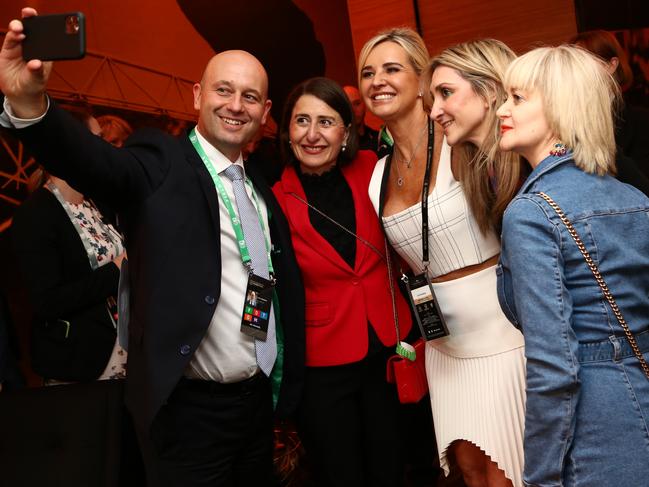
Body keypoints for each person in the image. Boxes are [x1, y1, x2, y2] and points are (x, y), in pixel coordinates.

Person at [0, 7, 305, 487]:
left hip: (255, 405)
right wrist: (31, 105)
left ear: (265, 115)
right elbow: (95, 162)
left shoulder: (258, 189)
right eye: (224, 90)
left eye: (251, 97)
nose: (236, 105)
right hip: (187, 413)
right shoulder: (161, 164)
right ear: (198, 96)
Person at [361, 29, 526, 487]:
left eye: (392, 69)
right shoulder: (377, 174)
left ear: (421, 81)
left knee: (508, 472)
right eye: (368, 72)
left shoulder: (462, 142)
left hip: (502, 336)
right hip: (442, 345)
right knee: (468, 472)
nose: (377, 81)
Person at [496, 45, 649, 486]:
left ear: (561, 107)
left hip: (593, 426)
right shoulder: (633, 199)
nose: (503, 109)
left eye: (518, 98)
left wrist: (541, 475)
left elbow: (555, 366)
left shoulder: (531, 212)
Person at [272, 77, 412, 486]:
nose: (313, 134)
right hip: (323, 360)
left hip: (390, 345)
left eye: (326, 122)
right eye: (301, 121)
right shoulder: (275, 199)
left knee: (392, 464)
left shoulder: (374, 168)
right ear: (287, 130)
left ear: (346, 131)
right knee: (339, 471)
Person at [10, 109, 127, 384]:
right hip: (79, 366)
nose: (104, 148)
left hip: (122, 357)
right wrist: (117, 270)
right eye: (96, 139)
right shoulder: (36, 214)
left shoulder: (97, 202)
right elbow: (47, 302)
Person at [570, 30, 649, 191]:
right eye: (573, 65)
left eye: (585, 62)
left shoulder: (641, 120)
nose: (578, 72)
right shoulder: (566, 119)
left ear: (611, 65)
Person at [342, 85, 380, 154]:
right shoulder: (335, 142)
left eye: (357, 104)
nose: (353, 110)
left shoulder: (379, 140)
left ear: (365, 105)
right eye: (347, 105)